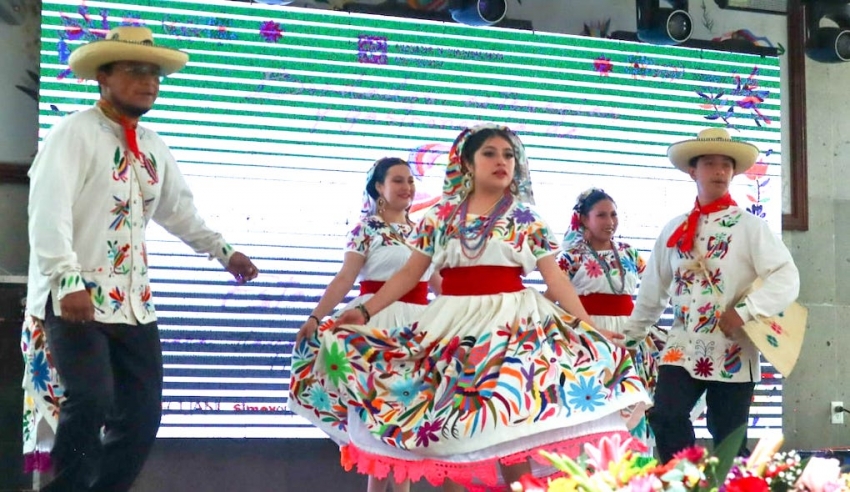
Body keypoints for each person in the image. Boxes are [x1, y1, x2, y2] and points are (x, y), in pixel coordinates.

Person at [327, 124, 649, 491]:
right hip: (455, 326)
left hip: (514, 328)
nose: (502, 162)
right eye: (490, 154)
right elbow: (410, 273)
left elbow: (557, 279)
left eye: (508, 155)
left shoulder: (528, 218)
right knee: (456, 429)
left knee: (513, 425)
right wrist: (365, 312)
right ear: (467, 162)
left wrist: (588, 327)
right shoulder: (439, 217)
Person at [26, 26, 259, 491]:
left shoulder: (152, 144)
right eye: (135, 71)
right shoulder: (73, 133)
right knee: (91, 398)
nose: (148, 82)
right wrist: (66, 279)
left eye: (154, 74)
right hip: (77, 297)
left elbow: (178, 210)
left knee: (143, 414)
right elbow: (49, 210)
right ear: (103, 77)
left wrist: (223, 251)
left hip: (133, 304)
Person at [622, 127, 800, 463]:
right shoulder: (674, 229)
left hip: (732, 347)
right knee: (666, 415)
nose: (719, 171)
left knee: (728, 436)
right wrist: (630, 338)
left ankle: (731, 482)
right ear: (693, 171)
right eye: (709, 163)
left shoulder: (749, 227)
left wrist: (745, 311)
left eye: (726, 165)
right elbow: (652, 290)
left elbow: (786, 276)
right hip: (682, 345)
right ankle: (684, 479)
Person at [289, 157, 440, 492]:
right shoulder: (366, 229)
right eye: (398, 180)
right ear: (378, 188)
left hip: (416, 333)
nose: (407, 187)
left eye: (410, 180)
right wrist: (315, 317)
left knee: (406, 427)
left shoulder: (424, 231)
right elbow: (346, 277)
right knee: (381, 428)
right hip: (374, 331)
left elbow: (438, 283)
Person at [557, 188, 659, 450]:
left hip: (629, 336)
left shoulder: (630, 254)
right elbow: (552, 297)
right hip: (589, 338)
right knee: (594, 403)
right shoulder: (571, 257)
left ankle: (634, 465)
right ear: (584, 219)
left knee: (632, 402)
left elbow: (655, 287)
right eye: (601, 215)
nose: (610, 221)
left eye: (613, 214)